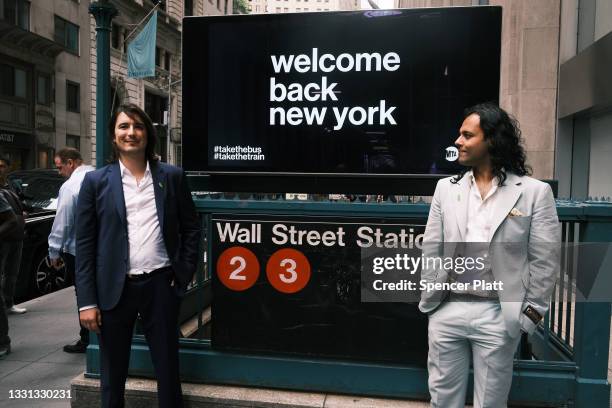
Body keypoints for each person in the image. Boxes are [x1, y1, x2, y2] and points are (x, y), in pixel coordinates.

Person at [419, 102, 560, 408]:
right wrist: (431, 301)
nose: (458, 141)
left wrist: (529, 318)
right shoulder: (445, 189)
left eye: (467, 135)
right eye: (459, 134)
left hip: (499, 315)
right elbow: (432, 246)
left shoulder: (534, 193)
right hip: (447, 308)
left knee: (492, 403)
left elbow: (545, 261)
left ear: (492, 141)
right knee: (442, 400)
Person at [75, 104, 201, 408]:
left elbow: (192, 229)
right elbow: (85, 245)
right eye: (123, 127)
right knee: (112, 373)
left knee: (168, 369)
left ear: (148, 133)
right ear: (113, 136)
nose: (131, 133)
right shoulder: (95, 182)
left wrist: (182, 275)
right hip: (113, 291)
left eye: (138, 126)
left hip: (161, 285)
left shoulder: (171, 177)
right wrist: (87, 302)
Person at [48, 147, 94, 353]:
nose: (60, 172)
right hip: (101, 248)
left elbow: (63, 223)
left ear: (71, 163)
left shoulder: (70, 187)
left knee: (84, 294)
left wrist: (54, 251)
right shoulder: (97, 175)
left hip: (79, 250)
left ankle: (87, 339)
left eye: (60, 167)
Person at [0, 157, 26, 316]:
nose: (0, 169)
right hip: (4, 236)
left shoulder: (10, 185)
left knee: (12, 273)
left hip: (16, 235)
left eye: (2, 166)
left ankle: (8, 303)